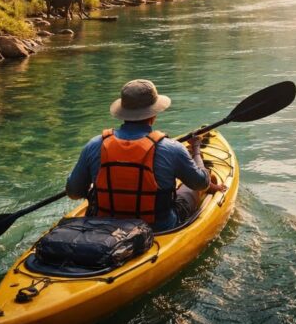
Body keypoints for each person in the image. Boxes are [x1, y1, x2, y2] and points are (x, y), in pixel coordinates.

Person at [66, 79, 226, 232]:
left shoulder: (94, 145)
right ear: (153, 114)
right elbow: (201, 183)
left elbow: (74, 192)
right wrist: (196, 149)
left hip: (101, 225)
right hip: (158, 228)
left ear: (123, 112)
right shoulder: (172, 149)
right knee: (188, 188)